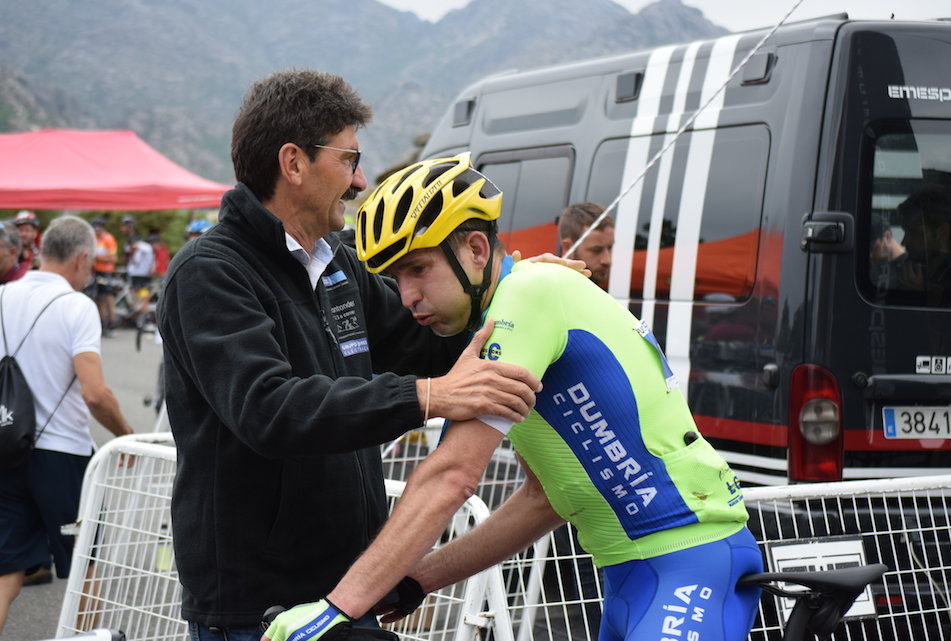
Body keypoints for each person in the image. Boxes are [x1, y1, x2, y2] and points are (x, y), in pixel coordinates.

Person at [263, 154, 761, 641]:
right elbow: (542, 499)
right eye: (395, 278)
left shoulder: (526, 298)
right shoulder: (513, 306)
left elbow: (452, 474)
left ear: (476, 250)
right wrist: (416, 580)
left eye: (418, 269)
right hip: (638, 575)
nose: (407, 295)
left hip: (691, 561)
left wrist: (336, 608)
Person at [157, 69, 542, 641]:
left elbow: (429, 346)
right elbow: (269, 408)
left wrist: (517, 293)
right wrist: (429, 397)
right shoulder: (210, 273)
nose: (361, 179)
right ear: (293, 164)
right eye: (348, 160)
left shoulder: (339, 263)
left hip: (348, 587)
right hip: (256, 607)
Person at [0, 215, 134, 634]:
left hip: (6, 447)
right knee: (85, 563)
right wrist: (125, 437)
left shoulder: (3, 294)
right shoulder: (77, 306)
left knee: (7, 567)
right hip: (62, 455)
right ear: (81, 259)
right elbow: (95, 393)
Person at [897, 180, 951, 304]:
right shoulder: (923, 270)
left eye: (914, 232)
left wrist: (921, 296)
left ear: (941, 233)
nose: (904, 242)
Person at [559, 201, 614, 288]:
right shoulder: (547, 290)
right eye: (596, 250)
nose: (607, 260)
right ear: (568, 247)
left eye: (610, 248)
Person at [90, 218, 120, 337]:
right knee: (99, 299)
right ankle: (102, 324)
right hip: (95, 272)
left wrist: (97, 258)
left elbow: (113, 258)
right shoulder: (94, 239)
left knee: (107, 298)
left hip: (105, 272)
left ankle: (111, 323)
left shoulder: (108, 239)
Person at [13, 210, 41, 277]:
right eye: (20, 230)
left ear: (35, 233)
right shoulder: (10, 254)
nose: (23, 234)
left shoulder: (42, 254)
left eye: (27, 230)